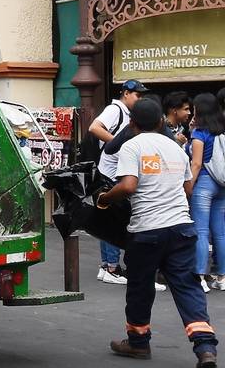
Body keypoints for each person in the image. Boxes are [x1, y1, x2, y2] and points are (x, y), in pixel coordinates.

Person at [97, 99, 218, 368]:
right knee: (187, 286)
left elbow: (128, 186)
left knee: (140, 286)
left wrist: (105, 198)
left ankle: (138, 343)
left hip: (147, 231)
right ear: (162, 122)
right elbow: (187, 189)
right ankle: (205, 347)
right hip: (181, 228)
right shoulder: (176, 148)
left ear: (132, 124)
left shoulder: (131, 146)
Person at [89, 79, 148, 284]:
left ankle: (110, 266)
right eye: (137, 95)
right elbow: (94, 128)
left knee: (113, 218)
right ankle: (110, 267)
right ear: (125, 93)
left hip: (115, 173)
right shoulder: (116, 109)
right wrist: (117, 143)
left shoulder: (129, 113)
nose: (140, 99)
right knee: (114, 219)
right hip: (109, 174)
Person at [187, 93, 225, 292]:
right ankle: (222, 276)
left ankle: (200, 276)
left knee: (201, 231)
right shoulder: (221, 130)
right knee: (220, 232)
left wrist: (189, 187)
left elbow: (196, 163)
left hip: (204, 183)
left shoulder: (200, 133)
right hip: (222, 184)